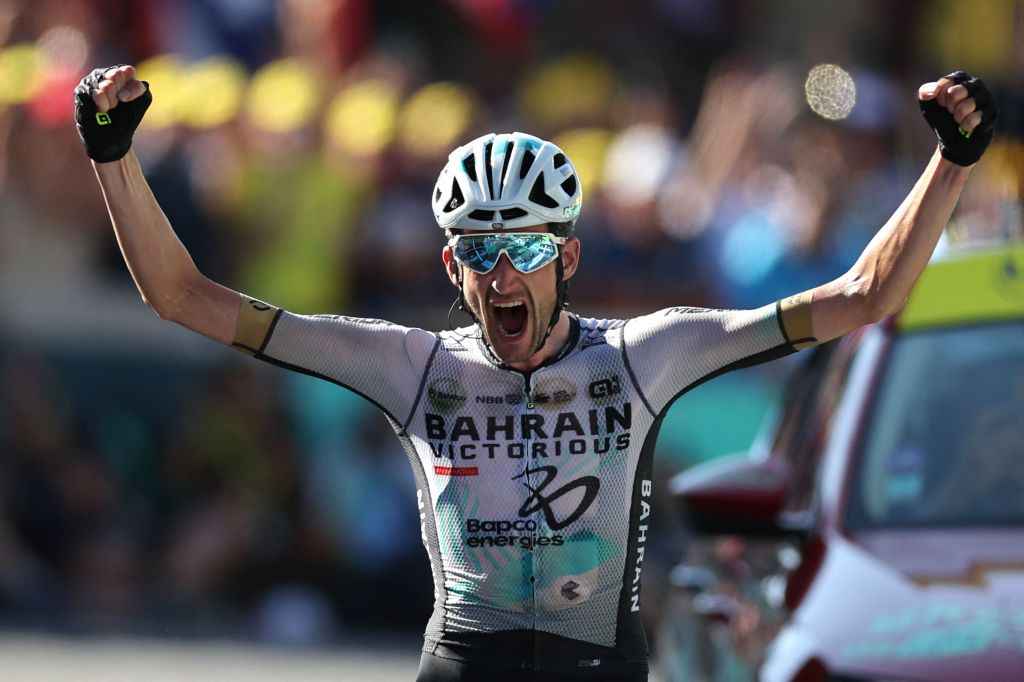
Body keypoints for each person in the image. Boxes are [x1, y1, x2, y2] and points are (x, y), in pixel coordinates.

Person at [74, 64, 997, 682]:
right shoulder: (413, 369)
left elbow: (864, 295)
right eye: (480, 248)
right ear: (451, 269)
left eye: (524, 246)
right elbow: (183, 297)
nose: (502, 272)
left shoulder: (646, 356)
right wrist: (112, 158)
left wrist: (950, 165)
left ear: (569, 258)